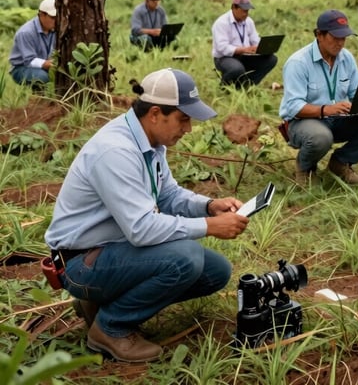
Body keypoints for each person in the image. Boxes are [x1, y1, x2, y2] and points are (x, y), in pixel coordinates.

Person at [44, 68, 249, 363]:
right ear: (155, 113)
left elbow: (167, 195)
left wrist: (209, 206)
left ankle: (100, 303)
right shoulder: (116, 151)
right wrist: (209, 226)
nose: (188, 129)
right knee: (186, 258)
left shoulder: (150, 143)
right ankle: (110, 327)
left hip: (112, 250)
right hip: (80, 261)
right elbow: (141, 229)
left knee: (214, 270)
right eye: (183, 119)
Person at [279, 9, 358, 187]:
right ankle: (305, 168)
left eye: (344, 38)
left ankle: (340, 163)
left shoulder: (346, 58)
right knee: (320, 137)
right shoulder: (298, 63)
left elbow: (356, 92)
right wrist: (325, 110)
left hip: (338, 119)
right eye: (335, 37)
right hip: (303, 122)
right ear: (319, 35)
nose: (340, 43)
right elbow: (292, 106)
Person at [211, 0, 278, 88]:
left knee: (271, 59)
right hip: (224, 58)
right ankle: (224, 87)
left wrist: (261, 48)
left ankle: (247, 85)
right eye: (244, 11)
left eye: (247, 11)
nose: (246, 14)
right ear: (234, 7)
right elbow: (222, 48)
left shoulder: (248, 21)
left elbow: (255, 39)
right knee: (237, 69)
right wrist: (243, 50)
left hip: (245, 56)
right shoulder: (221, 23)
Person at [9, 0, 57, 87]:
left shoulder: (55, 29)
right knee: (43, 77)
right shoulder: (26, 32)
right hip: (22, 67)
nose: (56, 20)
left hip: (46, 65)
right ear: (41, 15)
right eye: (53, 17)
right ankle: (38, 98)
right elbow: (29, 60)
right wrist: (48, 64)